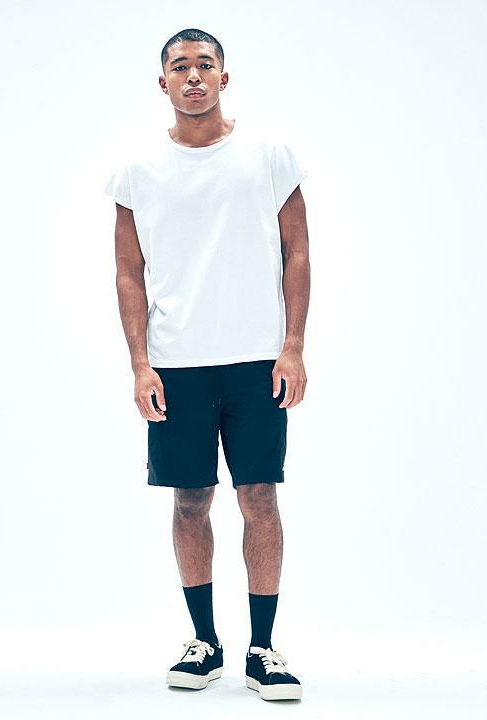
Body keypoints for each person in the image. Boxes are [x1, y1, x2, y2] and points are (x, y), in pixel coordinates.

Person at [104, 27, 310, 702]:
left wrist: (293, 346)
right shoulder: (137, 170)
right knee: (190, 501)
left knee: (260, 498)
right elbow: (128, 271)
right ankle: (204, 643)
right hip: (177, 365)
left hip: (256, 363)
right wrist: (140, 363)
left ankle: (263, 649)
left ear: (224, 76)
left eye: (205, 64)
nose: (193, 76)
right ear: (163, 82)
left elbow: (298, 252)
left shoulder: (269, 156)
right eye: (180, 66)